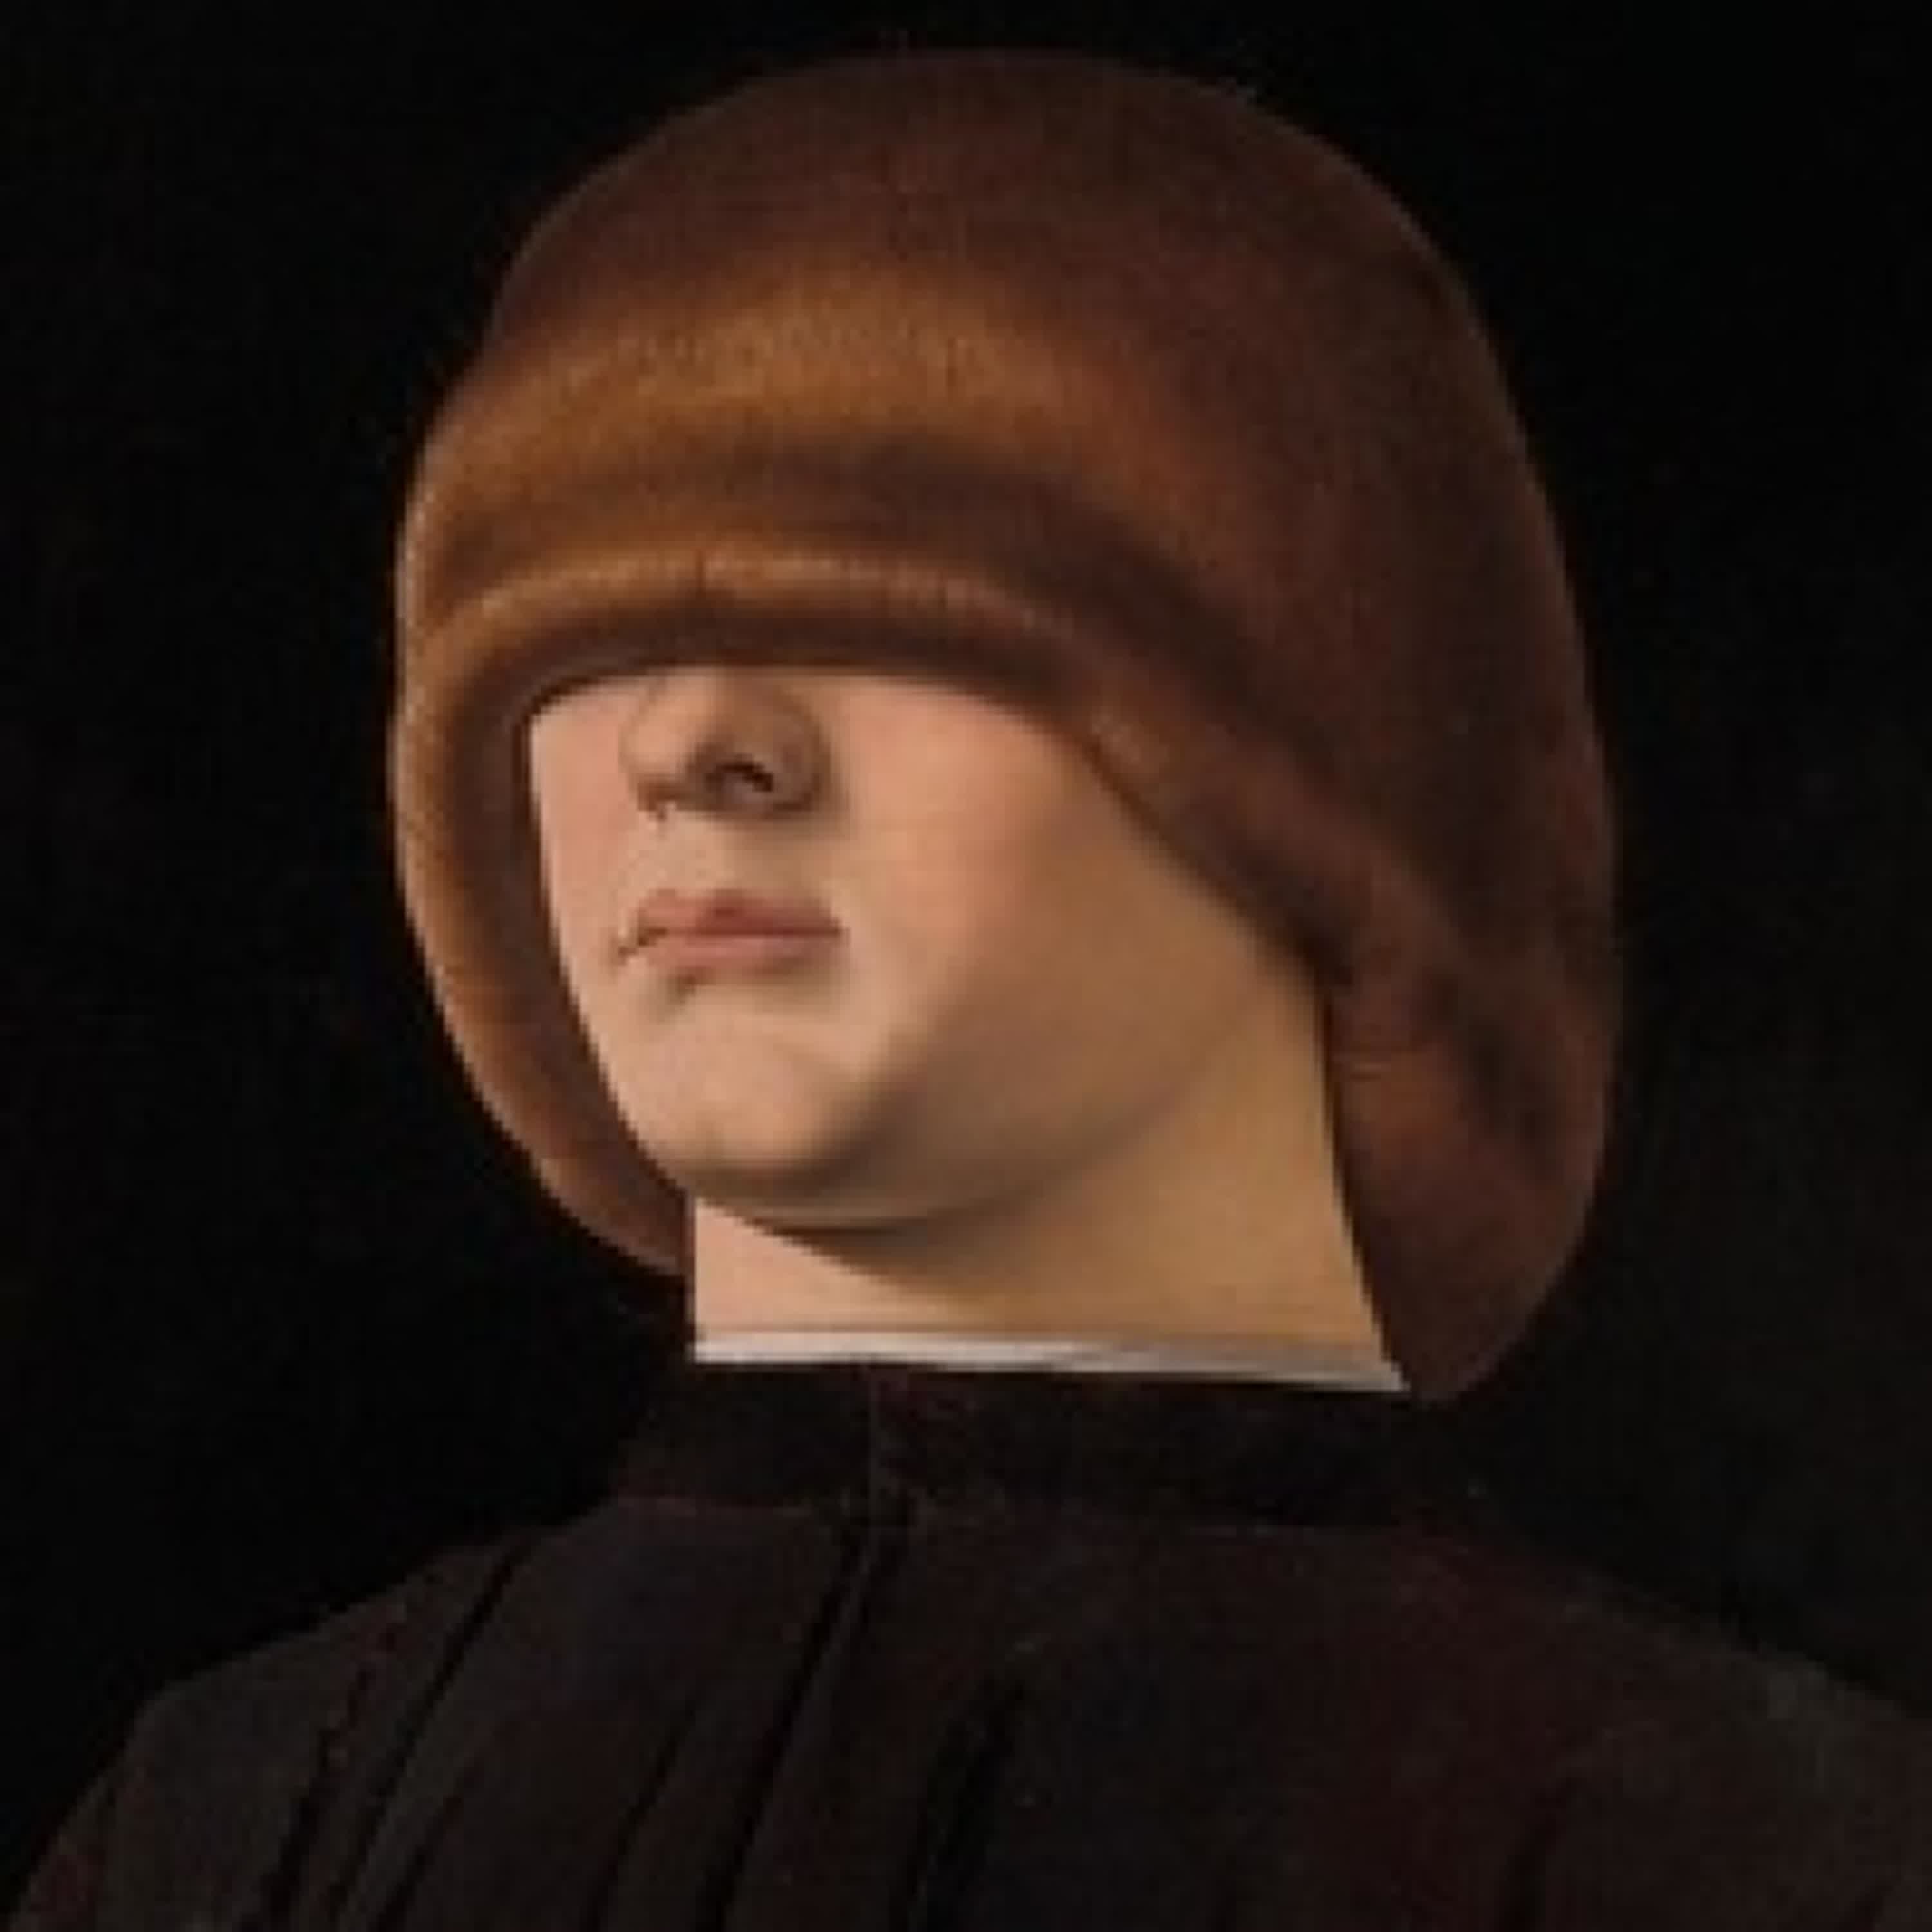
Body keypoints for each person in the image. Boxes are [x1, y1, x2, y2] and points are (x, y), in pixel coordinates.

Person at [14, 50, 1932, 1931]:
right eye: (580, 644)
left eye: (876, 603)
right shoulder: (226, 1817)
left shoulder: (1762, 1857)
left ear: (1331, 765)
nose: (690, 741)